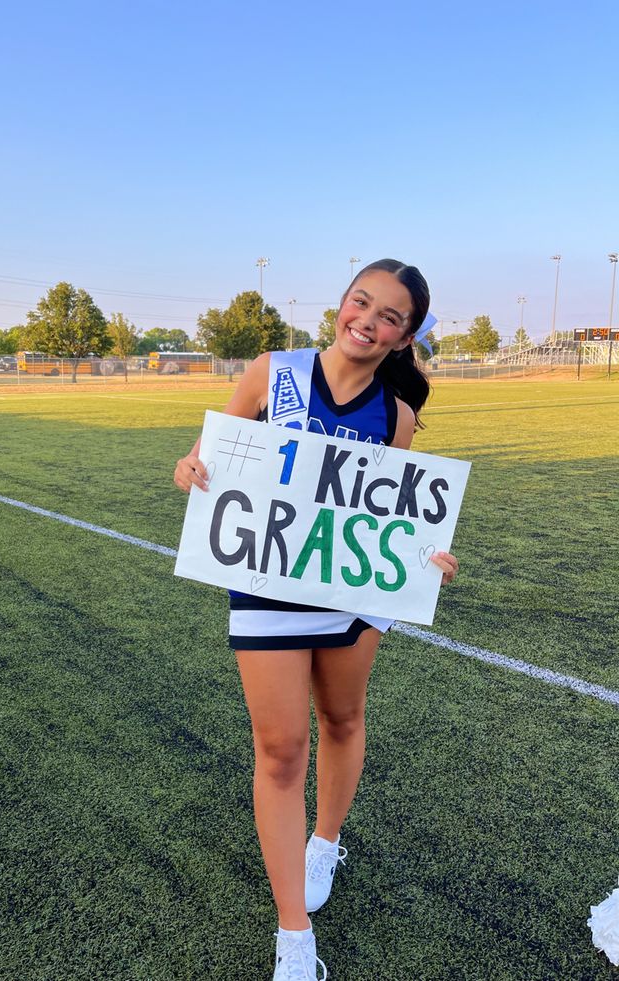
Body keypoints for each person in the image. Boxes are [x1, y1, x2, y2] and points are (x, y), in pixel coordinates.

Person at [174, 259, 459, 980]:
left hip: (348, 593)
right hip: (267, 581)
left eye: (390, 315)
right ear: (342, 303)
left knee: (341, 718)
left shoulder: (397, 416)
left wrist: (429, 552)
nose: (369, 319)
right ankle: (294, 937)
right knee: (279, 750)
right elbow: (211, 454)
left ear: (405, 336)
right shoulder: (276, 373)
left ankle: (324, 840)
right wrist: (191, 467)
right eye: (361, 301)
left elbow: (391, 508)